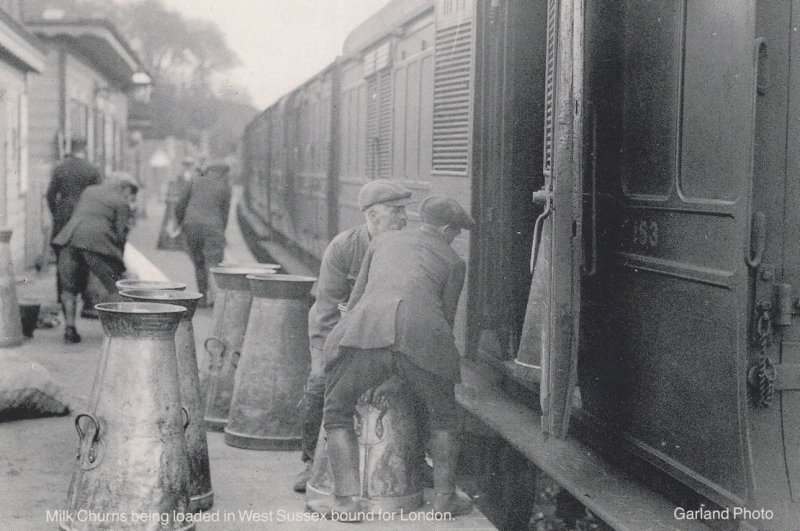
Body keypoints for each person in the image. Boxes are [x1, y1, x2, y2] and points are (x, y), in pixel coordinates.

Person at [306, 195, 475, 521]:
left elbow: (355, 302)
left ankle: (346, 503)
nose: (455, 238)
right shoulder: (455, 263)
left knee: (337, 412)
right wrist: (406, 369)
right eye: (455, 232)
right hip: (422, 338)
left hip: (366, 332)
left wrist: (344, 353)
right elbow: (445, 320)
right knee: (444, 417)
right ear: (445, 228)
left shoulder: (383, 241)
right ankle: (443, 501)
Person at [293, 179, 414, 493]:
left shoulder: (408, 248)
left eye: (404, 210)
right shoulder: (343, 248)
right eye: (396, 211)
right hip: (336, 336)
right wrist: (336, 360)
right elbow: (326, 313)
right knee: (320, 381)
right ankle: (309, 460)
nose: (404, 218)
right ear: (373, 217)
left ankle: (415, 462)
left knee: (417, 380)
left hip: (385, 340)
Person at [51, 177, 139, 343]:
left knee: (68, 288)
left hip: (70, 239)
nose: (131, 197)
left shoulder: (89, 191)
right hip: (97, 243)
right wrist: (119, 263)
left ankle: (70, 329)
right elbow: (120, 236)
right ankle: (119, 330)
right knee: (114, 285)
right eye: (131, 193)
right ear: (125, 188)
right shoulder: (122, 203)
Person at [46, 137, 102, 301]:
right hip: (85, 216)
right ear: (85, 148)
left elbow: (50, 195)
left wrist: (56, 213)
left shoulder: (60, 168)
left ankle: (61, 296)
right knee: (84, 255)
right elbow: (98, 195)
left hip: (63, 217)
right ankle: (83, 295)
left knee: (62, 257)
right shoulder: (92, 169)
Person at [175, 161, 232, 306]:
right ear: (223, 173)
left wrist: (182, 223)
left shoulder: (194, 181)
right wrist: (221, 230)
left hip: (191, 226)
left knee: (199, 262)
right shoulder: (225, 186)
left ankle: (202, 299)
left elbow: (180, 204)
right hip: (213, 227)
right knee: (213, 263)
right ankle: (216, 300)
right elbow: (225, 213)